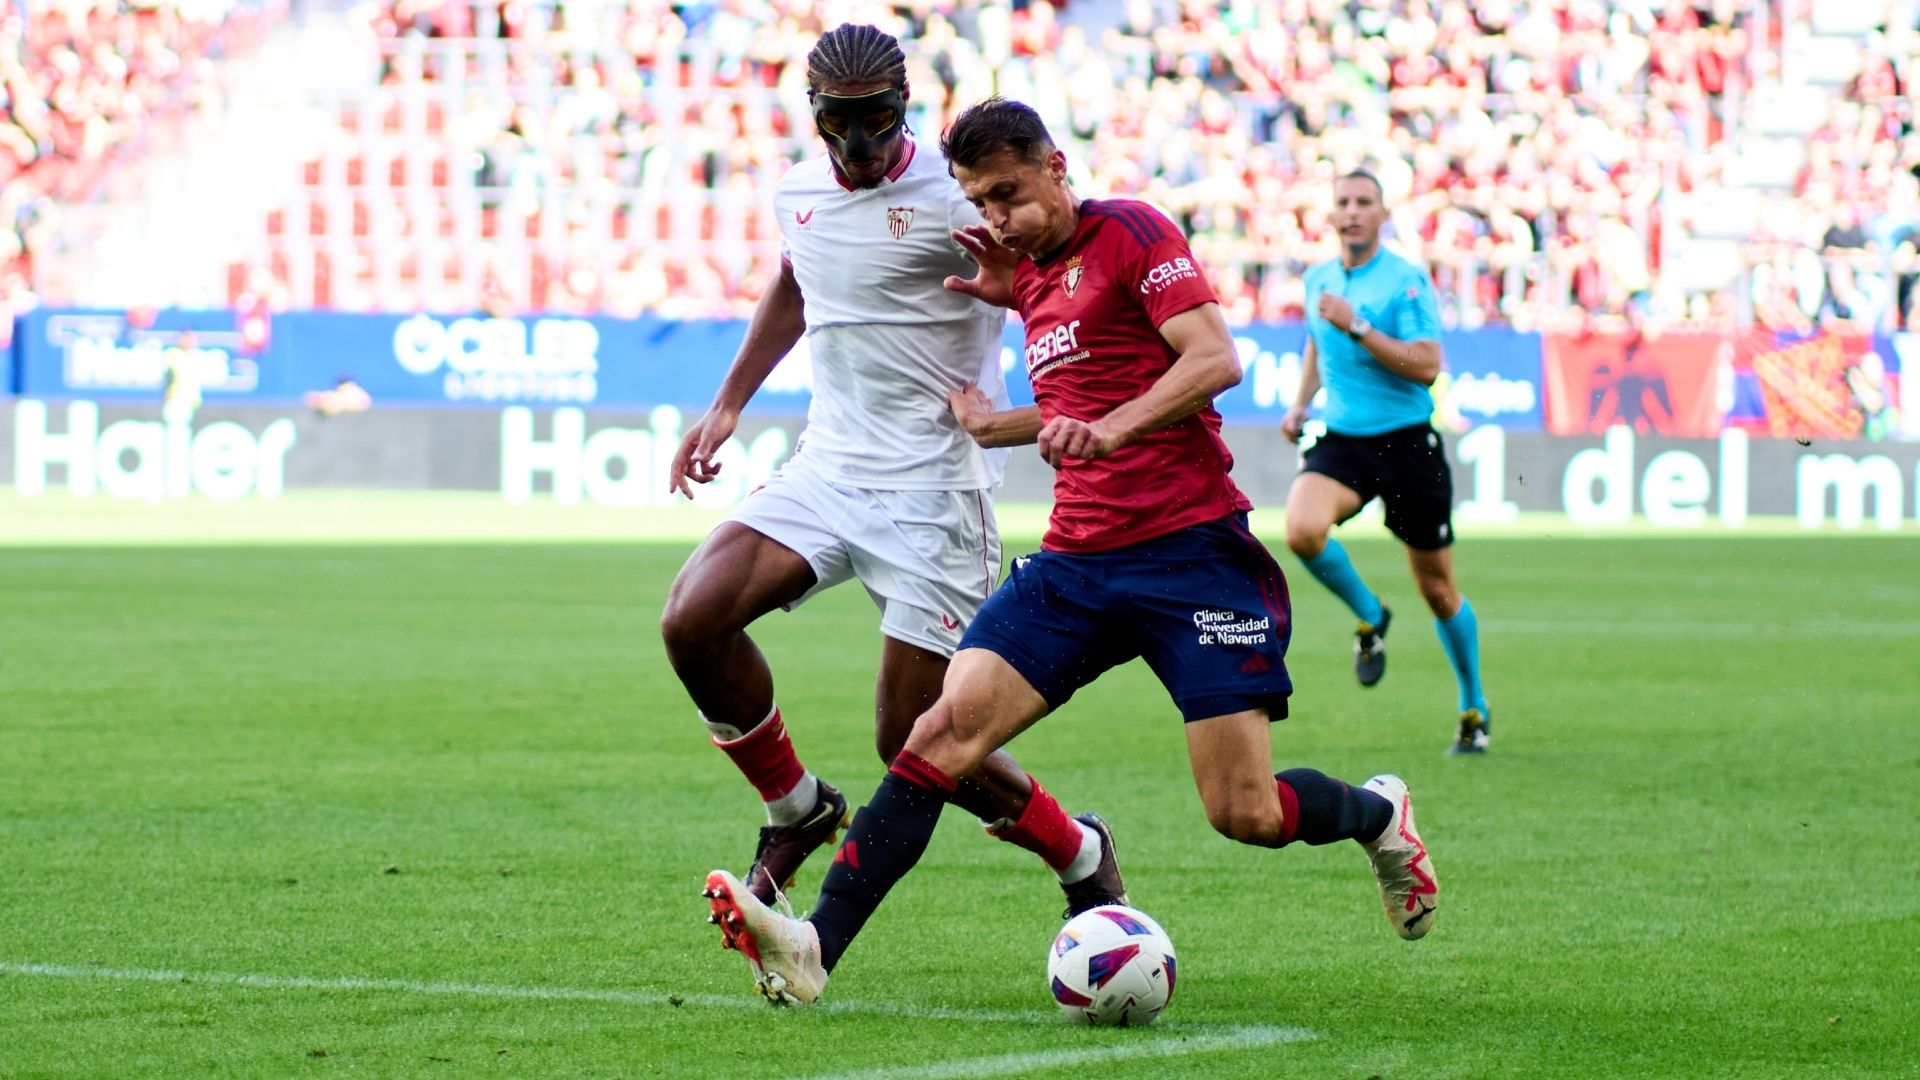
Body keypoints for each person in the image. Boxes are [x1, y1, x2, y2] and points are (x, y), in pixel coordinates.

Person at [702, 98, 1439, 1006]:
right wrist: (992, 422)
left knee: (1244, 812)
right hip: (1077, 564)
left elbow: (1214, 358)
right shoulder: (1032, 281)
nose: (997, 218)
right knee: (937, 734)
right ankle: (816, 944)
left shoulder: (1131, 231)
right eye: (980, 202)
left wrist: (1114, 428)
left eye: (1008, 193)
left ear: (1056, 165)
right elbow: (1074, 409)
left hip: (1192, 557)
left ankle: (1377, 815)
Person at [660, 26, 1126, 929]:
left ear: (905, 110)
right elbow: (799, 282)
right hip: (829, 467)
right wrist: (727, 405)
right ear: (816, 119)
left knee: (912, 740)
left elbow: (1059, 273)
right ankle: (797, 810)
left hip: (937, 494)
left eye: (877, 124)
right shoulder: (797, 190)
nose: (861, 148)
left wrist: (1020, 303)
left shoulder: (961, 195)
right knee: (692, 619)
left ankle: (1078, 848)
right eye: (841, 126)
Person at [1280, 170, 1492, 754]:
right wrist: (1301, 403)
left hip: (1407, 445)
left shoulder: (1404, 280)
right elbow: (1317, 346)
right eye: (1343, 202)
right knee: (1301, 530)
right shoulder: (1320, 278)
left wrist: (1360, 325)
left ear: (1381, 213)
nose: (1351, 212)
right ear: (1332, 214)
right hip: (1345, 440)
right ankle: (1372, 616)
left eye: (1363, 202)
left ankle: (1474, 706)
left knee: (1438, 589)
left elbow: (1427, 365)